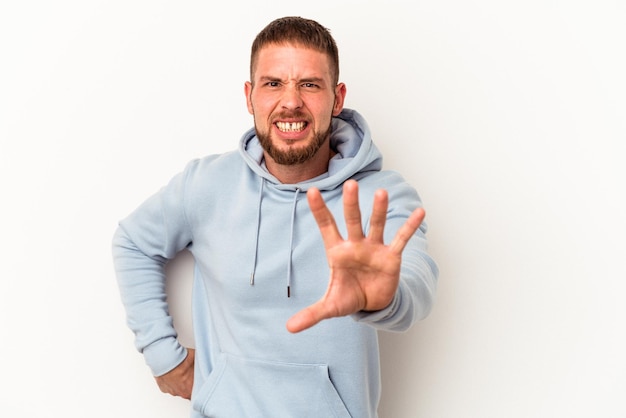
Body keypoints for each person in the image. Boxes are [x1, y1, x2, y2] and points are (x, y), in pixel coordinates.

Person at [112, 16, 438, 418]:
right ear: (249, 96)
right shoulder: (206, 184)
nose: (291, 101)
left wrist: (384, 298)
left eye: (309, 84)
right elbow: (132, 242)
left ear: (337, 99)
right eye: (273, 83)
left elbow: (417, 284)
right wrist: (164, 356)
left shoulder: (380, 196)